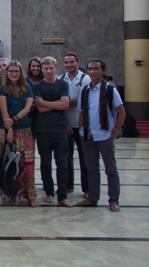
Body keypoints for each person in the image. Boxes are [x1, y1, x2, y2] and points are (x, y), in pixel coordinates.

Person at [76, 59, 125, 212]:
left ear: (103, 71)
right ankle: (92, 197)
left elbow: (121, 113)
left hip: (105, 135)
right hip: (88, 135)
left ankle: (113, 200)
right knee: (91, 169)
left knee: (110, 169)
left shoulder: (110, 90)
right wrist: (81, 132)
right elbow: (82, 113)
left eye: (96, 69)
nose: (92, 72)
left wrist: (115, 131)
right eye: (90, 69)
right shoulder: (85, 90)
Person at [0, 60, 39, 207]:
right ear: (7, 73)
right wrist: (9, 129)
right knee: (8, 164)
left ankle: (30, 196)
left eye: (16, 71)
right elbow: (3, 110)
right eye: (11, 71)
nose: (13, 74)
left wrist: (13, 121)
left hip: (24, 129)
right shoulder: (3, 89)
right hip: (5, 130)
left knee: (27, 164)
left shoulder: (27, 88)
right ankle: (11, 194)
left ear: (20, 73)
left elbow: (27, 108)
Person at [32, 56, 72, 207]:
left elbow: (65, 104)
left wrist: (46, 103)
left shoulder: (63, 84)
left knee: (62, 164)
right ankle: (49, 192)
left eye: (51, 68)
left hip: (60, 129)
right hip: (43, 129)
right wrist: (56, 104)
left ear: (56, 69)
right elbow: (40, 109)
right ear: (42, 70)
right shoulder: (37, 86)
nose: (48, 71)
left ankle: (62, 195)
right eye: (46, 68)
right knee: (45, 163)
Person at [58, 52, 91, 196]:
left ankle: (87, 188)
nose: (69, 65)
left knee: (85, 158)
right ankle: (68, 185)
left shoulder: (85, 79)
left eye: (71, 62)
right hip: (66, 125)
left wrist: (65, 103)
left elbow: (84, 100)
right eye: (66, 62)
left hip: (82, 125)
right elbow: (60, 102)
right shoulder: (61, 79)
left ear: (78, 62)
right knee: (66, 158)